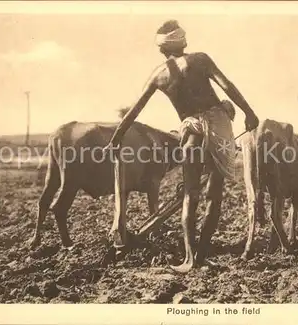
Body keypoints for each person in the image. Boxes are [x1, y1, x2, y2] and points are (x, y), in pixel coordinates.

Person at [103, 20, 259, 273]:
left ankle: (189, 259)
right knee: (214, 196)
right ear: (183, 42)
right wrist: (249, 112)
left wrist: (116, 138)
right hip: (218, 127)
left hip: (190, 133)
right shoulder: (200, 59)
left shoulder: (158, 75)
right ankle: (203, 255)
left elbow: (134, 110)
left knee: (189, 195)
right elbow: (227, 86)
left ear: (162, 49)